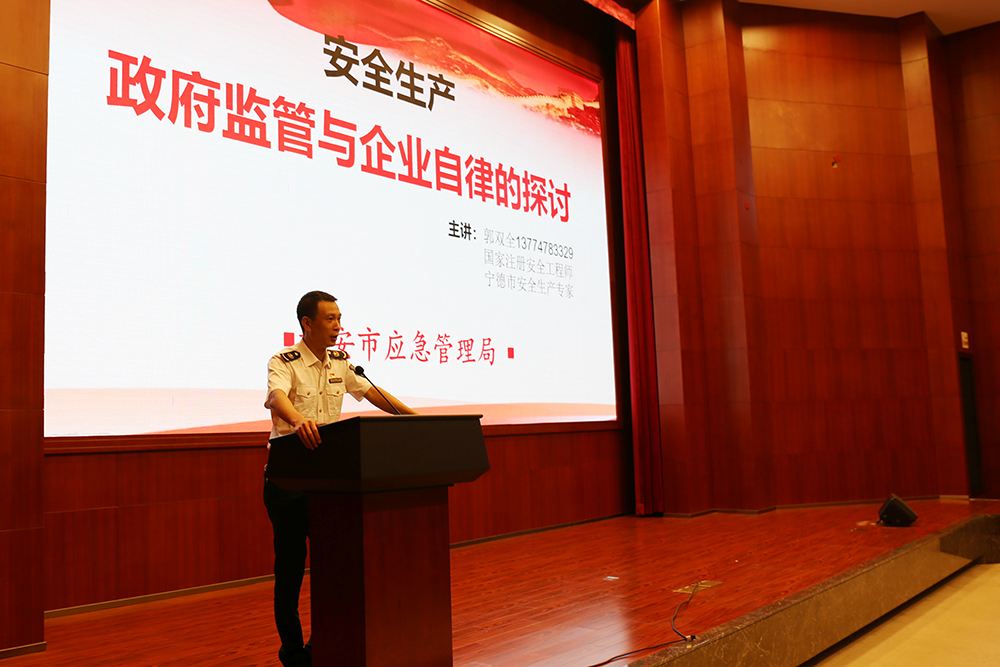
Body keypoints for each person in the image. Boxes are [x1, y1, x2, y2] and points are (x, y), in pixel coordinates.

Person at [263, 290, 416, 667]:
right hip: (289, 482)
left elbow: (372, 394)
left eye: (339, 318)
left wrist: (414, 418)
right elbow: (277, 397)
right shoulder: (284, 360)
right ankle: (292, 654)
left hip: (330, 483)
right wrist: (298, 420)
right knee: (290, 571)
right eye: (330, 319)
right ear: (307, 323)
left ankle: (320, 647)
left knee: (335, 568)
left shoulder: (341, 362)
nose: (338, 326)